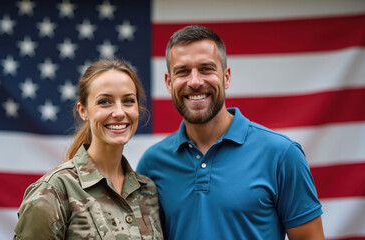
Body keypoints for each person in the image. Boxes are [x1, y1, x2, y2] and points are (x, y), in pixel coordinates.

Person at [136, 25, 324, 239]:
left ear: (226, 77)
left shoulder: (282, 155)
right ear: (169, 83)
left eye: (206, 69)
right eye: (183, 71)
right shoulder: (152, 164)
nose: (195, 81)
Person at [14, 59, 163, 239]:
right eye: (105, 101)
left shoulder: (148, 191)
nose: (119, 112)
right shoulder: (53, 191)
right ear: (83, 110)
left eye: (128, 101)